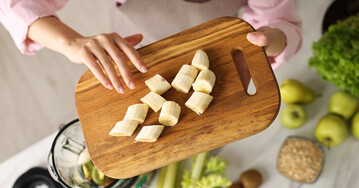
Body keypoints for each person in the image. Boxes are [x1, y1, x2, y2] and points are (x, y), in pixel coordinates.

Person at [0, 0, 302, 94]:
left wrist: (269, 40)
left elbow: (278, 21)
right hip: (135, 53)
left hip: (218, 58)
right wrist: (71, 43)